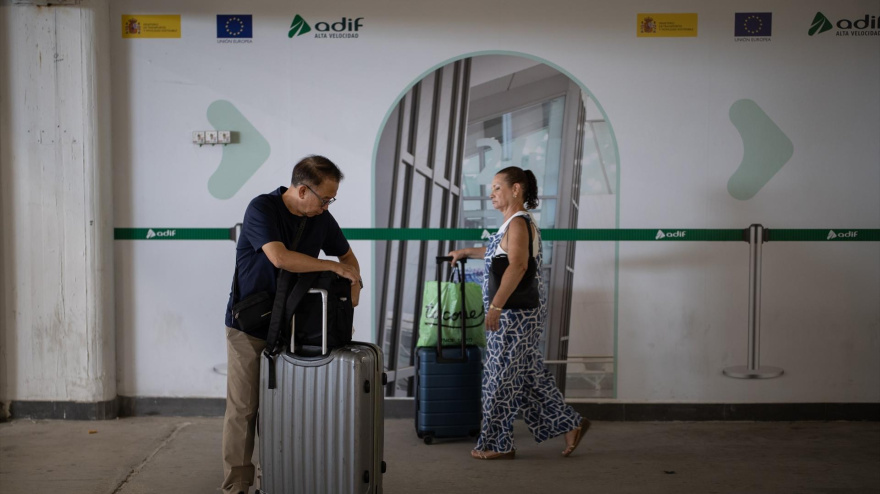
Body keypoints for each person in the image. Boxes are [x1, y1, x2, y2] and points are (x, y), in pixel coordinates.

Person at [221, 155, 362, 494]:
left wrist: (353, 286)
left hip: (295, 326)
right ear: (302, 190)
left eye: (332, 200)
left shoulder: (321, 218)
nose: (327, 207)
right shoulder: (262, 209)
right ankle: (236, 487)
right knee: (244, 410)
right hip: (249, 326)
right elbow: (280, 257)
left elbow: (347, 258)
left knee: (285, 410)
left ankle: (278, 480)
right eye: (325, 198)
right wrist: (329, 267)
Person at [448, 166, 589, 460]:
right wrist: (465, 252)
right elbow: (497, 253)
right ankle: (571, 423)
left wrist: (496, 305)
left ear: (516, 189)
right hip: (518, 313)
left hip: (515, 314)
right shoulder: (512, 224)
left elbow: (518, 265)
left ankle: (498, 444)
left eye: (497, 187)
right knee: (526, 376)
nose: (491, 193)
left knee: (499, 376)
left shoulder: (518, 224)